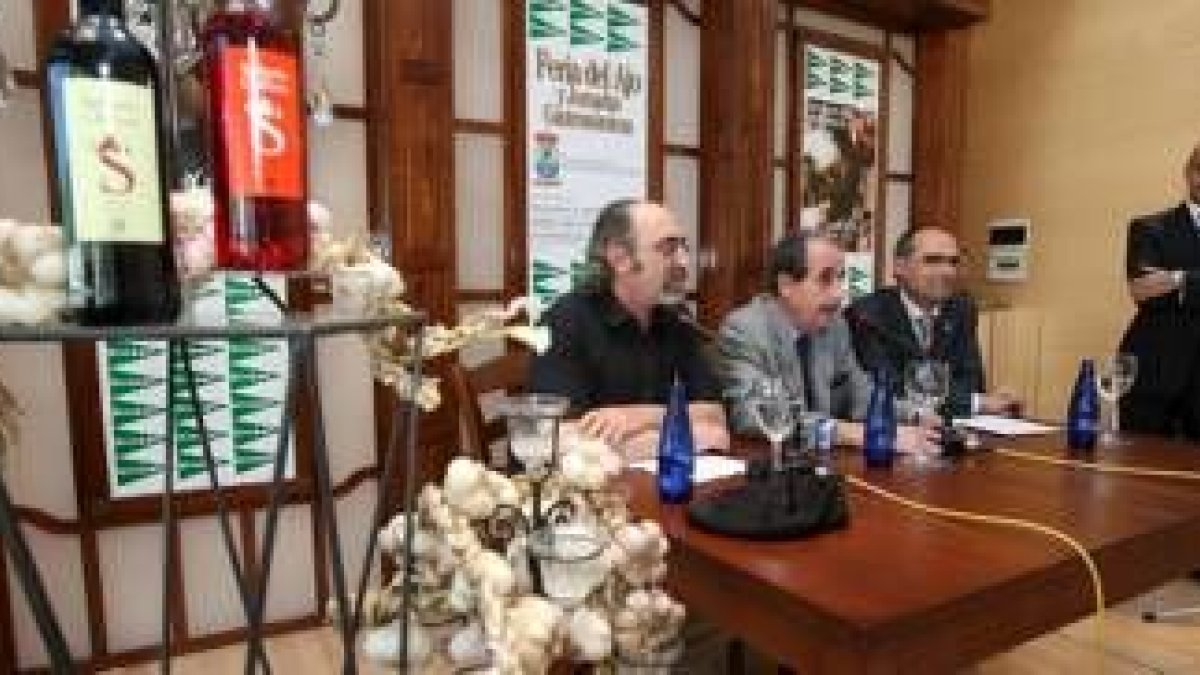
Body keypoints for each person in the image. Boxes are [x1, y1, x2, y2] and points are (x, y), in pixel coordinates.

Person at [528, 199, 730, 459]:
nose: (684, 262)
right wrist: (678, 434)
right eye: (668, 248)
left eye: (683, 248)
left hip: (661, 485)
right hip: (590, 494)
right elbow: (556, 439)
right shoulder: (565, 321)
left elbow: (715, 422)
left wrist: (638, 417)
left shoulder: (677, 320)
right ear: (620, 258)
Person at [717, 230, 941, 455]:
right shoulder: (745, 329)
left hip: (822, 463)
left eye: (841, 278)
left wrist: (917, 414)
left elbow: (862, 398)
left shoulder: (835, 326)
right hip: (771, 465)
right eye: (825, 279)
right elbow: (750, 416)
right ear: (786, 285)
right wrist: (858, 434)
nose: (838, 293)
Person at [849, 227, 1020, 419]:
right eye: (932, 260)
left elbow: (971, 382)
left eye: (953, 262)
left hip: (952, 429)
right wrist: (978, 403)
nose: (947, 271)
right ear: (899, 267)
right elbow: (890, 390)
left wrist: (987, 401)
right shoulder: (867, 315)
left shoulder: (961, 310)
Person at [1119, 143, 1200, 441]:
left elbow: (1160, 286)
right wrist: (1172, 283)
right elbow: (1141, 290)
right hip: (1153, 376)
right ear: (1190, 173)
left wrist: (1176, 279)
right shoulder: (1150, 228)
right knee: (1138, 475)